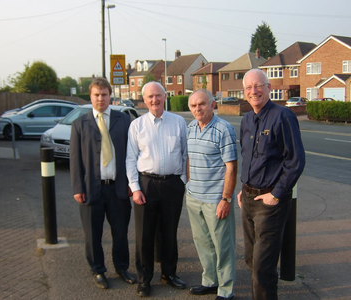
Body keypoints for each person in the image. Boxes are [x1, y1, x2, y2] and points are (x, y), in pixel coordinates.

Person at [237, 69, 305, 300]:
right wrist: (243, 187)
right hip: (248, 198)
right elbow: (249, 157)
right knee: (251, 259)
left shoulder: (282, 116)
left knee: (263, 266)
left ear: (268, 88)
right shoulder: (246, 120)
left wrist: (275, 194)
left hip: (270, 203)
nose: (253, 91)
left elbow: (295, 161)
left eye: (258, 86)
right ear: (244, 92)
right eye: (249, 87)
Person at [70, 77, 136, 289]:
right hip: (91, 190)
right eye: (96, 95)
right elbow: (75, 160)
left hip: (118, 189)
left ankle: (122, 267)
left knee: (120, 233)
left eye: (104, 94)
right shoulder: (79, 124)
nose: (101, 98)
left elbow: (132, 154)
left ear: (110, 96)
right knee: (92, 235)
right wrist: (78, 188)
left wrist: (131, 183)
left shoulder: (123, 120)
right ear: (90, 97)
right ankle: (98, 270)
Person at [126, 81, 188, 297]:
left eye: (158, 95)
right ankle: (144, 279)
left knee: (169, 232)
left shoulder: (179, 122)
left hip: (172, 184)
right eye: (150, 96)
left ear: (165, 96)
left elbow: (185, 153)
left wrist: (182, 180)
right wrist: (135, 188)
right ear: (144, 100)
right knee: (145, 234)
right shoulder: (137, 126)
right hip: (147, 185)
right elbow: (130, 158)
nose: (155, 100)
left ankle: (169, 273)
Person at [186, 89, 237, 300]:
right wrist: (190, 184)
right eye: (193, 105)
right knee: (203, 243)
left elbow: (231, 167)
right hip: (193, 197)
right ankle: (210, 281)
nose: (198, 108)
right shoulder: (190, 128)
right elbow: (189, 159)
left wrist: (225, 199)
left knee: (222, 246)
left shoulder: (224, 129)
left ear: (212, 105)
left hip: (215, 200)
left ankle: (226, 290)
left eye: (202, 104)